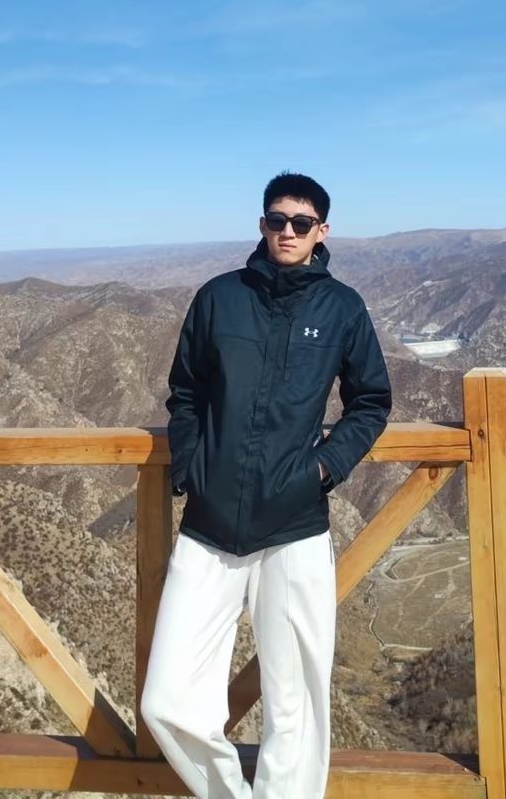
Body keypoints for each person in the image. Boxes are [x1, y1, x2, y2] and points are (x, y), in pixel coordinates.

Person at [139, 171, 393, 799]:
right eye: (277, 220)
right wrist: (192, 467)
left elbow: (371, 401)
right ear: (261, 224)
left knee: (296, 703)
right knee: (166, 700)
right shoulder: (218, 298)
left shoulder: (342, 308)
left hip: (295, 523)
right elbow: (185, 392)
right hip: (210, 523)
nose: (288, 231)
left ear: (321, 231)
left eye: (301, 223)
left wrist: (323, 469)